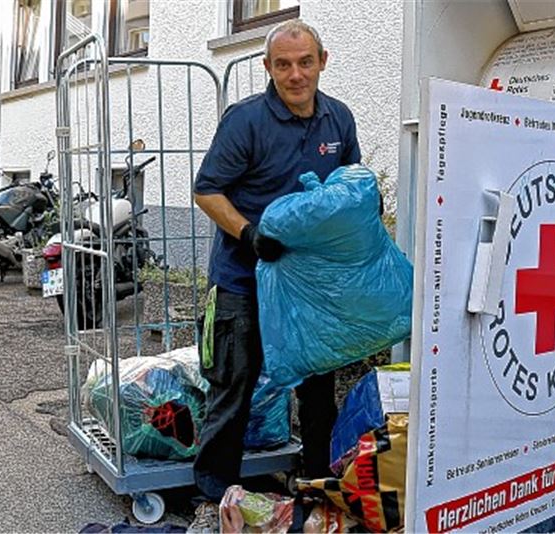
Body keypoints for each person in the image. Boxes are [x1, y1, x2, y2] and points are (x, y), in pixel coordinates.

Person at [189, 18, 361, 526]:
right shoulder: (245, 122)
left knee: (316, 392)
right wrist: (248, 234)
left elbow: (349, 188)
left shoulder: (338, 120)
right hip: (244, 280)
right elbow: (206, 191)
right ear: (267, 67)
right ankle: (215, 498)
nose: (295, 75)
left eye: (305, 62)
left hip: (308, 287)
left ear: (322, 62)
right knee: (233, 389)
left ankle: (313, 491)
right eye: (283, 64)